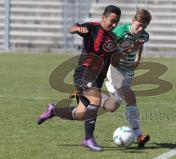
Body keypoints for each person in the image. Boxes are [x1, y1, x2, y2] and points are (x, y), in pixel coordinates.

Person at [36, 5, 121, 152]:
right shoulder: (92, 28)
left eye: (116, 22)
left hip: (96, 80)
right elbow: (74, 28)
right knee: (95, 100)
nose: (113, 24)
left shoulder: (113, 38)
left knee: (82, 114)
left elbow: (115, 60)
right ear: (103, 17)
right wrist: (77, 29)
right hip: (83, 74)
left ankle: (53, 111)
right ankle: (88, 139)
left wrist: (125, 54)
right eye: (112, 21)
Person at [101, 9, 152, 148]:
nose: (141, 29)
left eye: (144, 27)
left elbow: (139, 45)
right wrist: (127, 50)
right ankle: (138, 135)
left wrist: (138, 58)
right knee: (129, 96)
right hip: (114, 69)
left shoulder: (144, 36)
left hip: (128, 71)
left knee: (113, 105)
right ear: (132, 20)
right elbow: (111, 56)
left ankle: (89, 95)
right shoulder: (119, 33)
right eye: (139, 25)